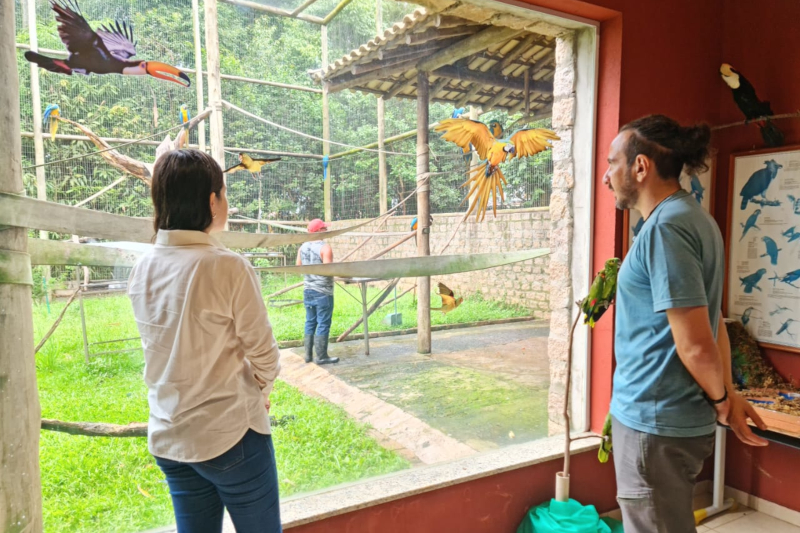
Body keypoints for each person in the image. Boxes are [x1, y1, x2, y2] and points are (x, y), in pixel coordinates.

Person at [603, 115, 768, 533]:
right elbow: (715, 325)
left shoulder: (666, 228)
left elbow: (695, 343)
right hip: (665, 420)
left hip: (654, 422)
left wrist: (722, 401)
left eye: (612, 163)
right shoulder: (695, 218)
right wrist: (726, 393)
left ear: (640, 167)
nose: (607, 177)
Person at [127, 150, 282, 533]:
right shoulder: (227, 267)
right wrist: (259, 389)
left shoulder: (142, 267)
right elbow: (264, 354)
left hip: (169, 436)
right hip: (231, 437)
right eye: (224, 193)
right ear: (212, 201)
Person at [296, 219, 339, 365]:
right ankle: (321, 356)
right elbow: (328, 270)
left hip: (308, 290)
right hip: (323, 291)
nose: (326, 230)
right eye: (324, 228)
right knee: (323, 323)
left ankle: (307, 355)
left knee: (310, 321)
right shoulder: (325, 247)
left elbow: (298, 266)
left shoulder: (302, 247)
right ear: (318, 231)